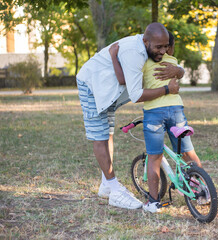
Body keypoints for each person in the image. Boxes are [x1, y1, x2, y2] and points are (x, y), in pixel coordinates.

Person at [76, 23, 184, 210]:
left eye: (166, 46)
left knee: (108, 134)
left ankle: (106, 185)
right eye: (159, 47)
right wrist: (167, 89)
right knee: (99, 137)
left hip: (110, 90)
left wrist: (178, 71)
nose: (163, 51)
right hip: (92, 84)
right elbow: (136, 95)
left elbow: (125, 79)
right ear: (146, 42)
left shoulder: (150, 48)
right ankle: (113, 188)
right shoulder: (135, 53)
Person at [109, 31, 203, 213]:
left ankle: (153, 202)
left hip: (154, 113)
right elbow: (181, 72)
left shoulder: (144, 61)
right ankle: (202, 192)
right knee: (188, 152)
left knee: (154, 157)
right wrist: (179, 71)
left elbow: (123, 80)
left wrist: (114, 56)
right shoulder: (173, 62)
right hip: (176, 111)